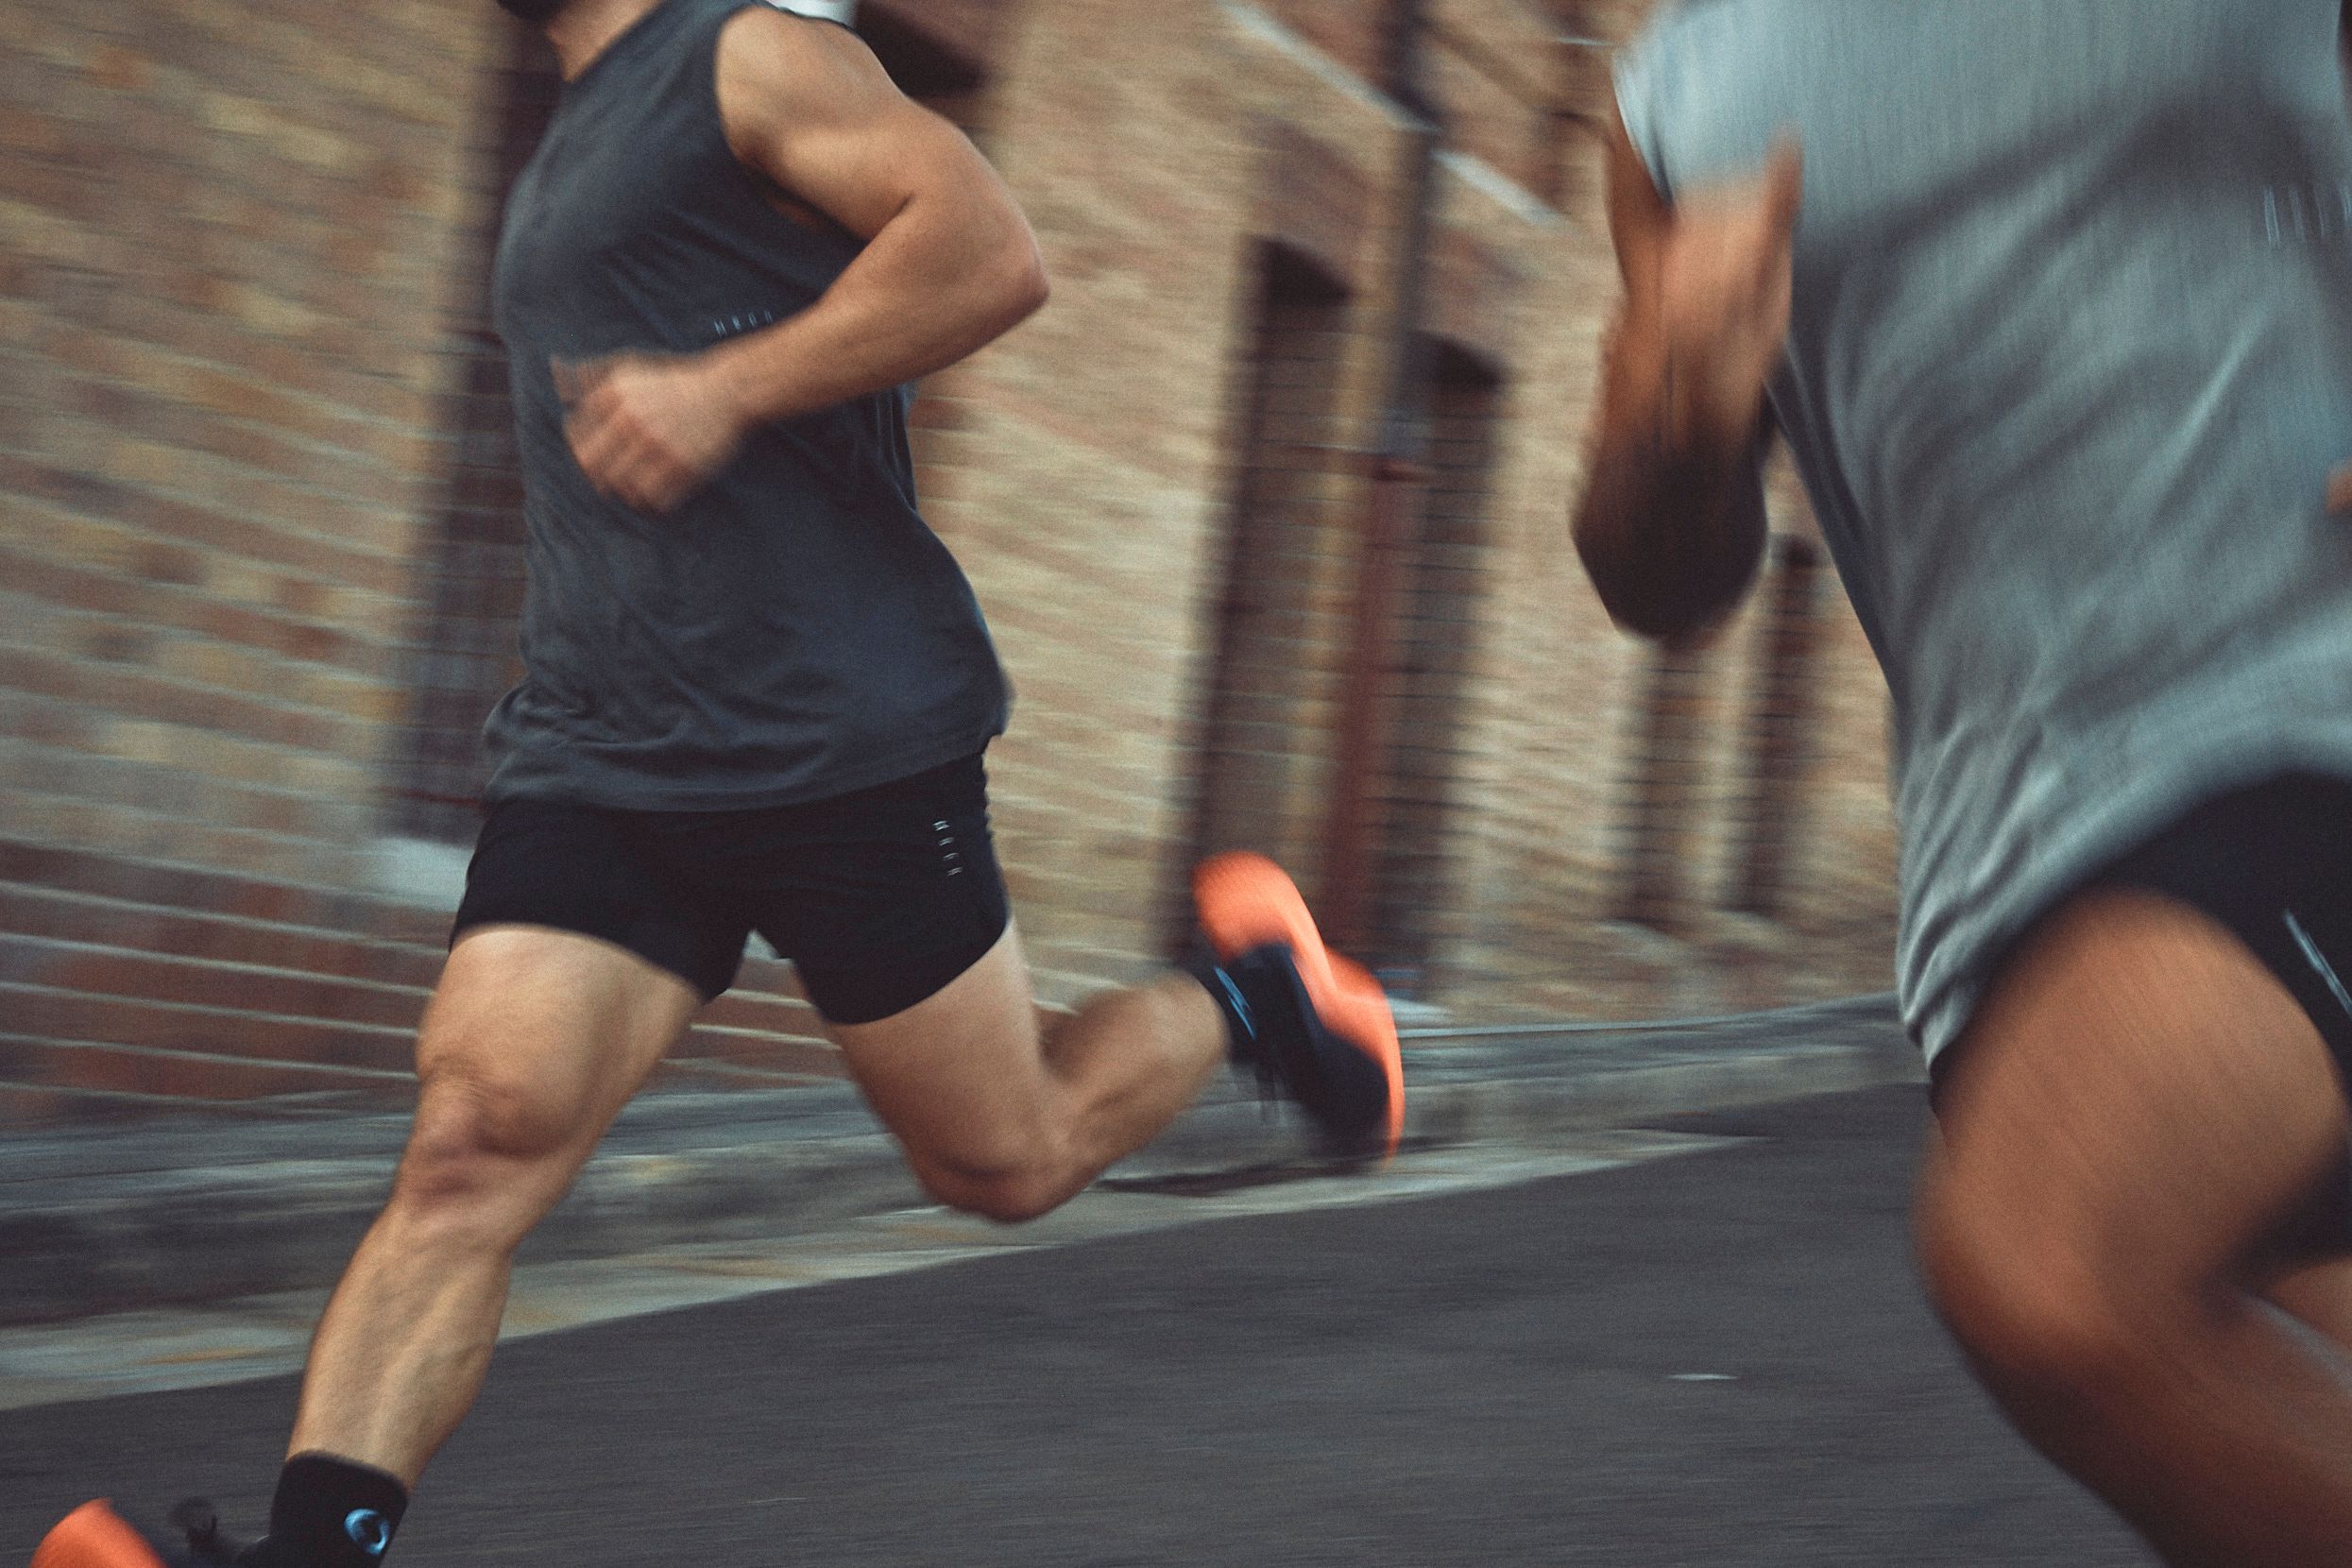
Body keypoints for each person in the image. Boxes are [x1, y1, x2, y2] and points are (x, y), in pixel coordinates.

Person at [31, 4, 1403, 1566]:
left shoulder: (745, 54)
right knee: (472, 1146)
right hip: (602, 751)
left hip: (836, 737)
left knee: (1002, 1159)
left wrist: (728, 387)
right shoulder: (571, 122)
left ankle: (1259, 1000)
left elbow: (987, 250)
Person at [1577, 1, 2352, 1559]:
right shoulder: (1675, 94)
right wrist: (1672, 430)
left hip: (2297, 725)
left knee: (2055, 1269)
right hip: (2006, 883)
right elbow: (1655, 580)